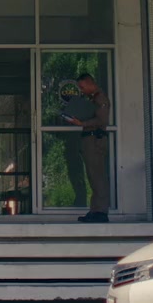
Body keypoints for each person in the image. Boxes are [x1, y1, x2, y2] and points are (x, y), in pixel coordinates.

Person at [66, 73, 111, 223]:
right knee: (92, 176)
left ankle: (101, 211)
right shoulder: (92, 98)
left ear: (90, 83)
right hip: (89, 140)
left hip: (95, 140)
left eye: (82, 87)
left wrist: (82, 123)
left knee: (98, 176)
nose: (81, 90)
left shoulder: (100, 98)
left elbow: (102, 120)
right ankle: (95, 210)